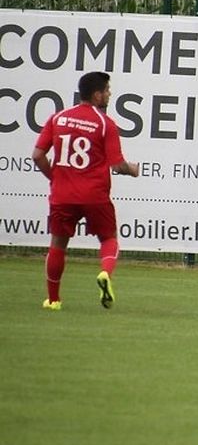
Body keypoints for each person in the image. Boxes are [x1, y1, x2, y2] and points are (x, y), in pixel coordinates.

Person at [32, 71, 140, 310]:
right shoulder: (105, 124)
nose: (109, 94)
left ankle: (53, 300)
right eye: (107, 90)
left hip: (63, 195)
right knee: (109, 238)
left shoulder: (58, 118)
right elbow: (117, 165)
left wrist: (55, 178)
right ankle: (105, 273)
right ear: (97, 95)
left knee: (58, 245)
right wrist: (132, 169)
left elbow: (37, 155)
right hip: (94, 195)